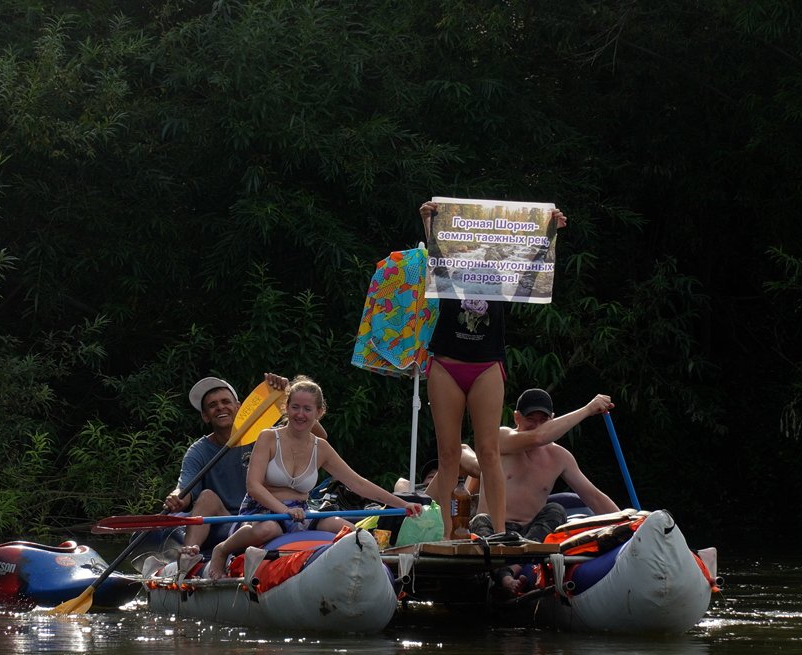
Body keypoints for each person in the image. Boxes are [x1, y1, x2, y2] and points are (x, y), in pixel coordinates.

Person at [419, 200, 567, 538]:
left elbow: (532, 267)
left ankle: (499, 532)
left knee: (488, 449)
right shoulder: (451, 272)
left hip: (486, 364)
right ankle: (448, 533)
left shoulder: (501, 279)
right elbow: (437, 253)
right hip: (446, 363)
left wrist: (549, 230)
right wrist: (428, 222)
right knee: (448, 452)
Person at [206, 376, 422, 578]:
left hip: (301, 513)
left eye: (307, 409)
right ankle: (222, 549)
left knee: (350, 530)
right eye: (295, 407)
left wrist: (402, 503)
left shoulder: (322, 448)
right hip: (262, 510)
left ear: (318, 412)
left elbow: (357, 483)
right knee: (269, 528)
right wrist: (285, 511)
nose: (300, 414)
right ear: (286, 408)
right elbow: (253, 486)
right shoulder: (268, 437)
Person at [162, 372, 324, 554]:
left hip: (265, 515)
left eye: (225, 402)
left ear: (238, 407)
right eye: (212, 405)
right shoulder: (198, 451)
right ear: (205, 416)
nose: (220, 408)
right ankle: (188, 555)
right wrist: (176, 497)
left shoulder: (265, 437)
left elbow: (316, 437)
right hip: (224, 523)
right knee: (207, 496)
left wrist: (287, 395)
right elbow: (184, 489)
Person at [461, 388, 621, 542]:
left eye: (543, 420)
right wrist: (588, 409)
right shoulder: (500, 439)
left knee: (556, 511)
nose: (537, 426)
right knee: (480, 520)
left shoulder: (559, 456)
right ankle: (505, 564)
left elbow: (594, 497)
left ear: (552, 419)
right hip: (494, 529)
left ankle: (517, 565)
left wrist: (631, 522)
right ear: (517, 418)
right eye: (530, 419)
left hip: (529, 536)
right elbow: (537, 437)